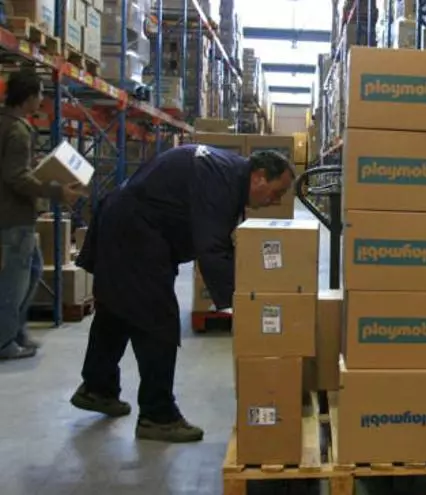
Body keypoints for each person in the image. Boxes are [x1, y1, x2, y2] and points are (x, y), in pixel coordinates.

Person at [69, 144, 293, 443]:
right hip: (134, 232)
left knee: (118, 309)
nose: (275, 200)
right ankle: (157, 416)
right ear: (260, 176)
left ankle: (97, 387)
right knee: (158, 321)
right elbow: (212, 248)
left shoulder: (227, 174)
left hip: (123, 221)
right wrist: (243, 304)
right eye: (277, 192)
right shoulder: (222, 181)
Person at [0, 68, 84, 361]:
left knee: (33, 270)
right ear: (28, 97)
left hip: (10, 217)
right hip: (14, 218)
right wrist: (57, 191)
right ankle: (5, 342)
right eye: (39, 95)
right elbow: (16, 177)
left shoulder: (5, 122)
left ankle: (16, 331)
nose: (41, 101)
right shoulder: (18, 131)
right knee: (14, 282)